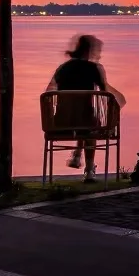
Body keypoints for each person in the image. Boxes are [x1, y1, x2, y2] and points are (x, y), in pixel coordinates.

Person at [46, 35, 126, 181]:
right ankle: (89, 170)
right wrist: (120, 99)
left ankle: (77, 155)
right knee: (90, 124)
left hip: (60, 123)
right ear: (89, 51)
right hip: (85, 124)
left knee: (82, 118)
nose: (99, 54)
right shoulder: (94, 69)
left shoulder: (62, 69)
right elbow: (105, 92)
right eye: (97, 50)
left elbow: (48, 92)